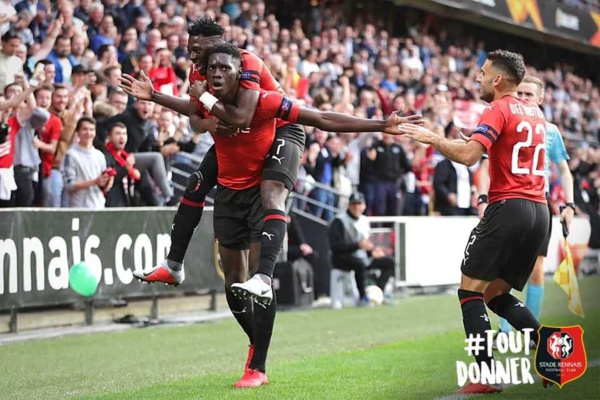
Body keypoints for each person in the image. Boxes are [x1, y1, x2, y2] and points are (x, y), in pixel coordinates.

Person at [162, 44, 417, 389]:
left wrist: (379, 125)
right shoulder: (207, 100)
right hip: (229, 194)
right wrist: (155, 97)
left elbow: (322, 118)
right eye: (212, 69)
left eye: (225, 68)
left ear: (241, 73)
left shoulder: (266, 101)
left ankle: (258, 363)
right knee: (233, 285)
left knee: (258, 263)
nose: (217, 74)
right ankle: (254, 342)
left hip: (259, 190)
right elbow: (192, 119)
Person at [398, 50, 550, 394]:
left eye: (482, 74)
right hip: (539, 211)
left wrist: (434, 138)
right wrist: (476, 136)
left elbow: (469, 158)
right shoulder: (535, 112)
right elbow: (507, 148)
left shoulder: (497, 107)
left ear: (498, 79)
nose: (477, 79)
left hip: (508, 206)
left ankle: (487, 375)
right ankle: (548, 349)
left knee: (470, 291)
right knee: (495, 294)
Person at [120, 18, 305, 294]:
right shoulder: (199, 71)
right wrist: (160, 98)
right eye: (189, 48)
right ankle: (173, 265)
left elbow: (242, 116)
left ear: (217, 45)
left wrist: (207, 103)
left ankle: (265, 275)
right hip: (239, 134)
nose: (191, 55)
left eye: (197, 48)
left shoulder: (246, 63)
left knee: (271, 193)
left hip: (280, 130)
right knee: (196, 183)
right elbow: (197, 119)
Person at [477, 76, 575, 343]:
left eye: (530, 94)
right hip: (506, 201)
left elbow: (564, 171)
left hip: (538, 203)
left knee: (537, 269)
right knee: (499, 274)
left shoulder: (550, 131)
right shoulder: (506, 121)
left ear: (541, 99)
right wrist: (482, 199)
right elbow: (484, 167)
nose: (524, 98)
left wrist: (570, 204)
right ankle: (507, 330)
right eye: (520, 93)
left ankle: (533, 333)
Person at [328, 191, 396, 306]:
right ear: (349, 205)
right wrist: (357, 246)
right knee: (359, 264)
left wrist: (373, 250)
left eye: (359, 204)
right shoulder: (339, 221)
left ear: (364, 206)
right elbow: (336, 247)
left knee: (389, 262)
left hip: (362, 257)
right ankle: (362, 297)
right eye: (354, 204)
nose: (357, 207)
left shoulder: (364, 220)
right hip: (344, 258)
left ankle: (378, 292)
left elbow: (365, 243)